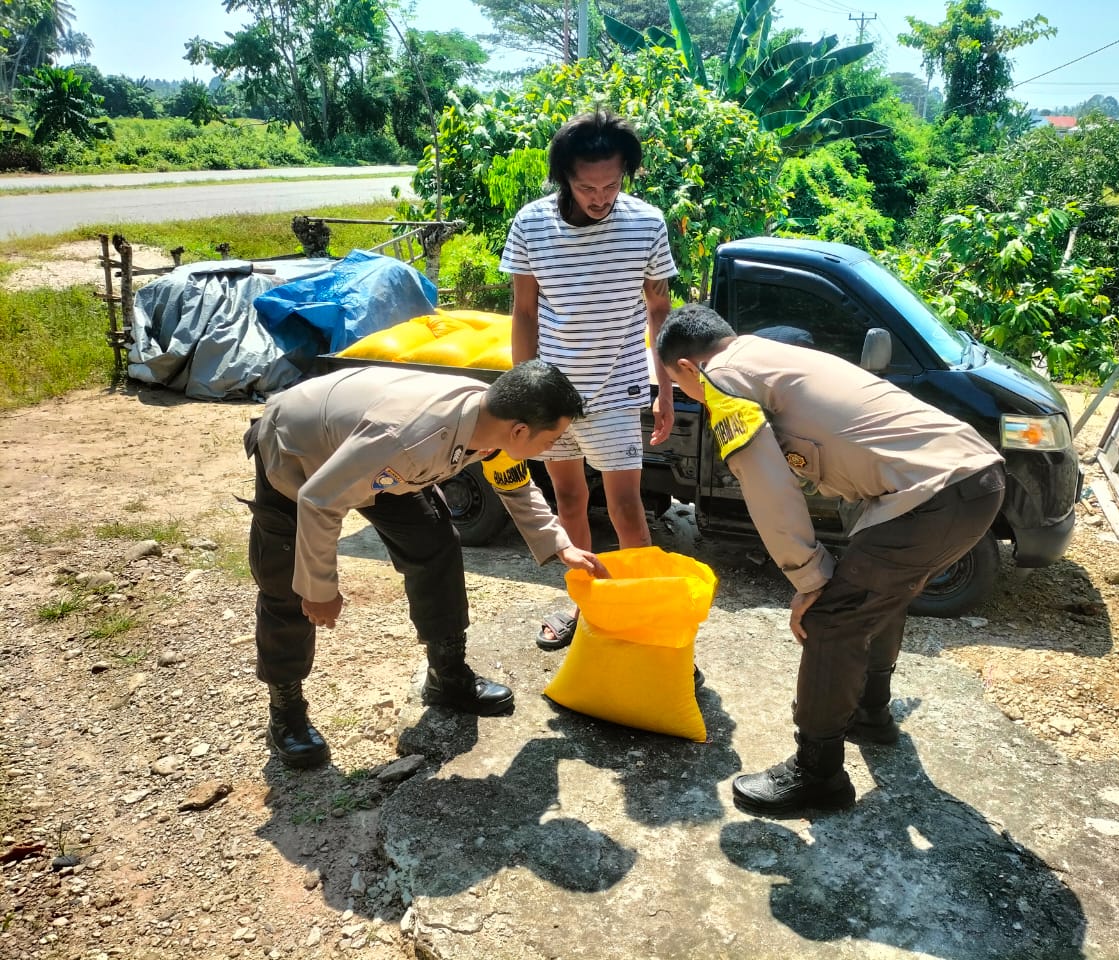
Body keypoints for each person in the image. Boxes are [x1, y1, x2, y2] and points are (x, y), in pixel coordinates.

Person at [655, 304, 1006, 817]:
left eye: (676, 384)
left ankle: (817, 773)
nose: (688, 393)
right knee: (877, 595)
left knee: (831, 619)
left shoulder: (722, 381)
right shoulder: (772, 354)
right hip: (973, 480)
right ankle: (870, 713)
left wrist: (808, 577)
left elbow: (766, 485)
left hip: (930, 494)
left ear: (687, 367)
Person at [243, 360, 608, 770]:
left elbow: (514, 484)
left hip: (373, 455)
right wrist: (318, 590)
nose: (554, 447)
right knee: (286, 582)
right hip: (300, 449)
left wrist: (560, 546)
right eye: (553, 437)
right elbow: (320, 499)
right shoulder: (406, 440)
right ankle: (286, 710)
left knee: (435, 542)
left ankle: (447, 675)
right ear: (520, 430)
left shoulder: (492, 423)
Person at [501, 109, 678, 652]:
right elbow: (525, 312)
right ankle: (588, 606)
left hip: (618, 387)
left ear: (626, 173)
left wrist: (664, 386)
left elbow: (659, 308)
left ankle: (644, 617)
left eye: (611, 184)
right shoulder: (531, 224)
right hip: (553, 393)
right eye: (586, 187)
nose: (599, 197)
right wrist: (522, 392)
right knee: (569, 500)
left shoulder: (646, 223)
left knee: (628, 507)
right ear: (563, 179)